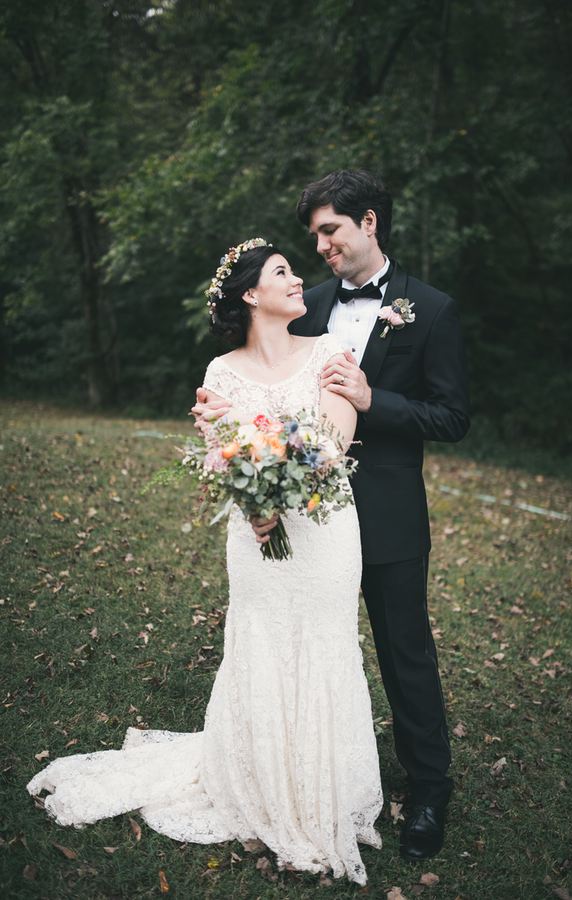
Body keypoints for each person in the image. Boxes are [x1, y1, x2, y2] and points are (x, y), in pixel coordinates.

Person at [26, 239, 383, 887]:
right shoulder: (221, 374)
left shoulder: (331, 353)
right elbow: (222, 456)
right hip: (257, 536)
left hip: (325, 530)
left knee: (324, 645)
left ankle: (319, 790)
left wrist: (263, 466)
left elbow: (331, 446)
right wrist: (254, 501)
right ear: (251, 294)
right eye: (282, 272)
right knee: (262, 645)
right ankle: (261, 783)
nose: (298, 277)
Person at [196, 170, 469, 861]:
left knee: (403, 650)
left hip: (387, 508)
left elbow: (451, 416)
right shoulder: (305, 304)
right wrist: (245, 476)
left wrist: (377, 400)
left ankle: (429, 791)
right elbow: (261, 387)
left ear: (368, 223)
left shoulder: (429, 309)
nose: (319, 246)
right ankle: (290, 774)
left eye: (330, 231)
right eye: (312, 235)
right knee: (299, 646)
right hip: (301, 516)